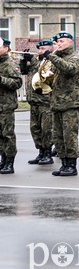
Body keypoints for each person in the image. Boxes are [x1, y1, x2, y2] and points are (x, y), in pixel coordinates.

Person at [47, 32, 79, 177]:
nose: (59, 44)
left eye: (62, 41)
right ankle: (64, 163)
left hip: (70, 103)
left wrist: (53, 57)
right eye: (58, 42)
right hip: (57, 102)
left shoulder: (75, 58)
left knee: (69, 136)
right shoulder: (58, 58)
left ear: (70, 42)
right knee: (58, 136)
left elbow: (70, 69)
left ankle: (71, 165)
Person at [20, 39, 54, 165]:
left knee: (47, 129)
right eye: (39, 49)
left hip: (45, 101)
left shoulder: (51, 61)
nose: (40, 51)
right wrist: (24, 60)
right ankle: (41, 152)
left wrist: (37, 60)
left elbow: (48, 76)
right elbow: (24, 71)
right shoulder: (36, 61)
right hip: (33, 101)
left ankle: (48, 153)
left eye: (43, 48)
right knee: (35, 128)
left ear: (50, 48)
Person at [0, 38, 23, 174]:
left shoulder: (10, 63)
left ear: (5, 48)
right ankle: (3, 159)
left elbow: (17, 83)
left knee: (7, 134)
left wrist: (1, 80)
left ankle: (9, 162)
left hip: (6, 105)